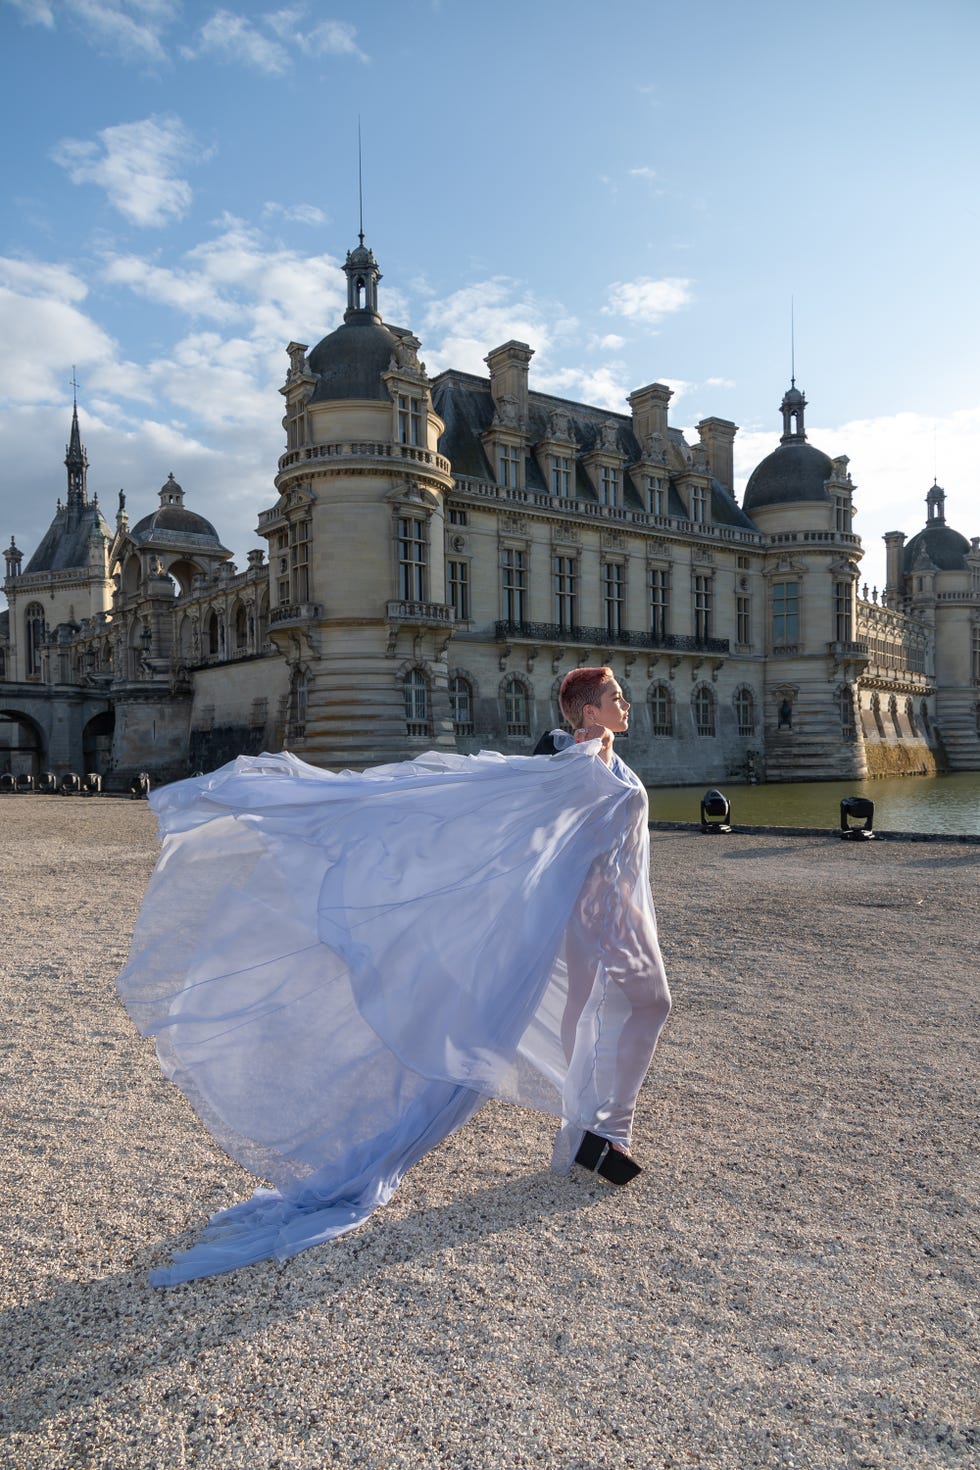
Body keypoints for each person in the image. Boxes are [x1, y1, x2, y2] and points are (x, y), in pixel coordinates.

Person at [117, 667, 671, 1285]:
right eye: (614, 696)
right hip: (598, 916)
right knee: (635, 1004)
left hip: (611, 912)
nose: (626, 702)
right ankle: (600, 1128)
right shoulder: (578, 767)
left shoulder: (605, 766)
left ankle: (588, 1128)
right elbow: (501, 812)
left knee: (622, 1005)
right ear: (588, 712)